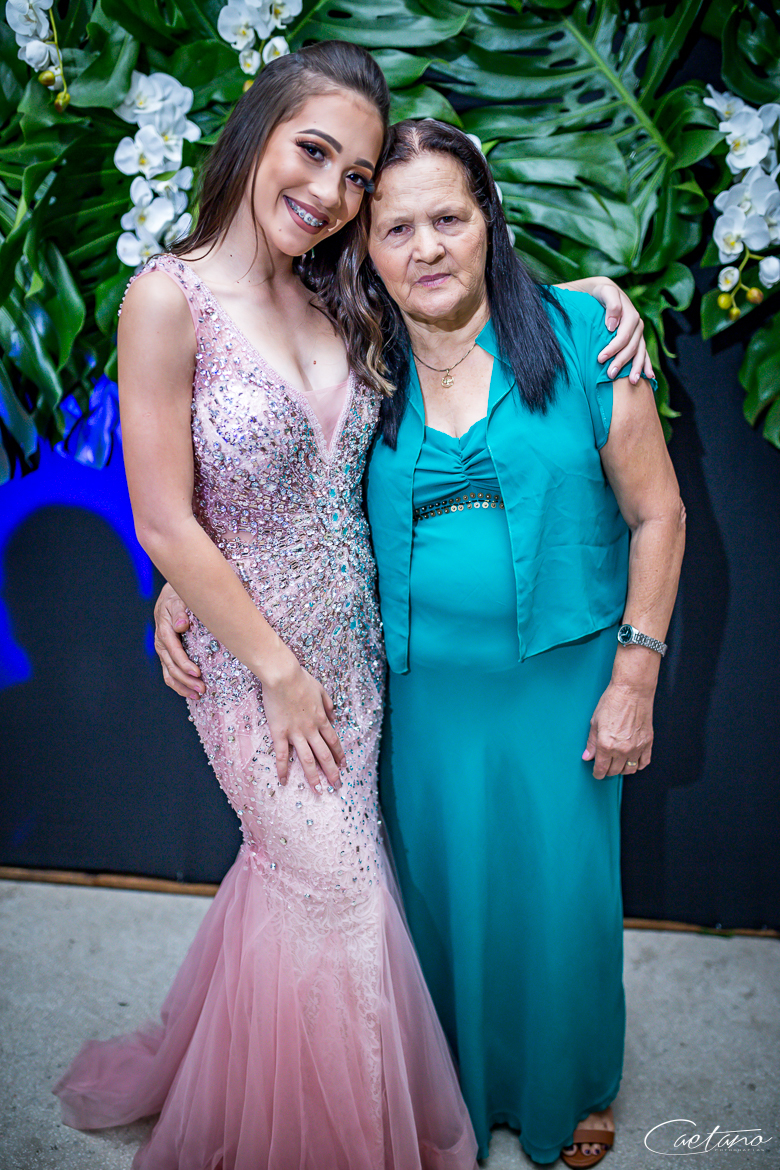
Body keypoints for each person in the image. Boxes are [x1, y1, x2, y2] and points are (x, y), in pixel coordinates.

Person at [154, 119, 683, 1169]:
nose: (427, 248)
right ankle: (451, 1090)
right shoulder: (358, 357)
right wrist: (181, 576)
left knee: (563, 895)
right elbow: (273, 488)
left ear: (490, 220)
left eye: (450, 218)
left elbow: (658, 514)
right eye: (397, 228)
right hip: (412, 691)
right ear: (366, 244)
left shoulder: (585, 335)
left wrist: (637, 671)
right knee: (437, 898)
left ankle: (570, 1084)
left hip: (563, 683)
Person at [54, 45, 479, 1170]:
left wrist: (598, 297)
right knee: (336, 889)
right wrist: (272, 669)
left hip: (355, 648)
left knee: (308, 882)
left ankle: (259, 1097)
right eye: (315, 152)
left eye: (357, 176)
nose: (332, 192)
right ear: (258, 131)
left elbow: (465, 302)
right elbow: (164, 518)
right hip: (255, 667)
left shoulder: (339, 290)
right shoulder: (168, 297)